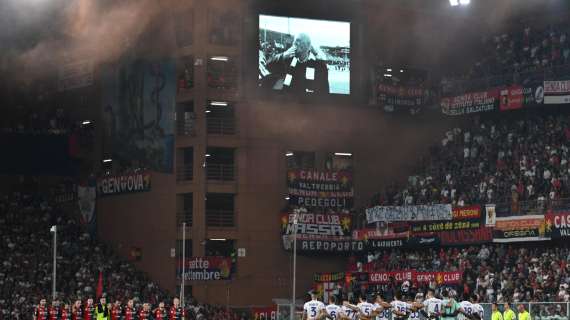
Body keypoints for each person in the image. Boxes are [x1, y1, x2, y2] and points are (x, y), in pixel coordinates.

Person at [264, 33, 330, 94]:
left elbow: (325, 92)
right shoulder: (288, 60)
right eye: (294, 41)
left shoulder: (319, 66)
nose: (295, 43)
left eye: (298, 40)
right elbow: (268, 66)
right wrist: (283, 55)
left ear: (308, 45)